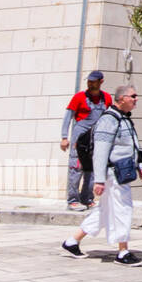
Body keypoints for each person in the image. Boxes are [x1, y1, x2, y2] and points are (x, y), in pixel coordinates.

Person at [62, 84, 142, 266]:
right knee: (123, 208)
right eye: (133, 96)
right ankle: (123, 252)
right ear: (121, 99)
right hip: (113, 174)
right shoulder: (109, 120)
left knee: (105, 211)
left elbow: (133, 145)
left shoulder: (124, 119)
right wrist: (98, 180)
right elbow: (100, 152)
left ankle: (72, 241)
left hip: (121, 172)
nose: (136, 99)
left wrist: (141, 165)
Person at [60, 71, 111, 211]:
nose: (90, 83)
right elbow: (68, 117)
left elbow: (109, 119)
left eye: (93, 81)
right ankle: (72, 201)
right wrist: (64, 137)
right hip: (79, 139)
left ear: (101, 82)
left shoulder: (106, 98)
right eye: (89, 81)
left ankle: (87, 199)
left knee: (93, 169)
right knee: (76, 169)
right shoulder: (79, 97)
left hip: (96, 139)